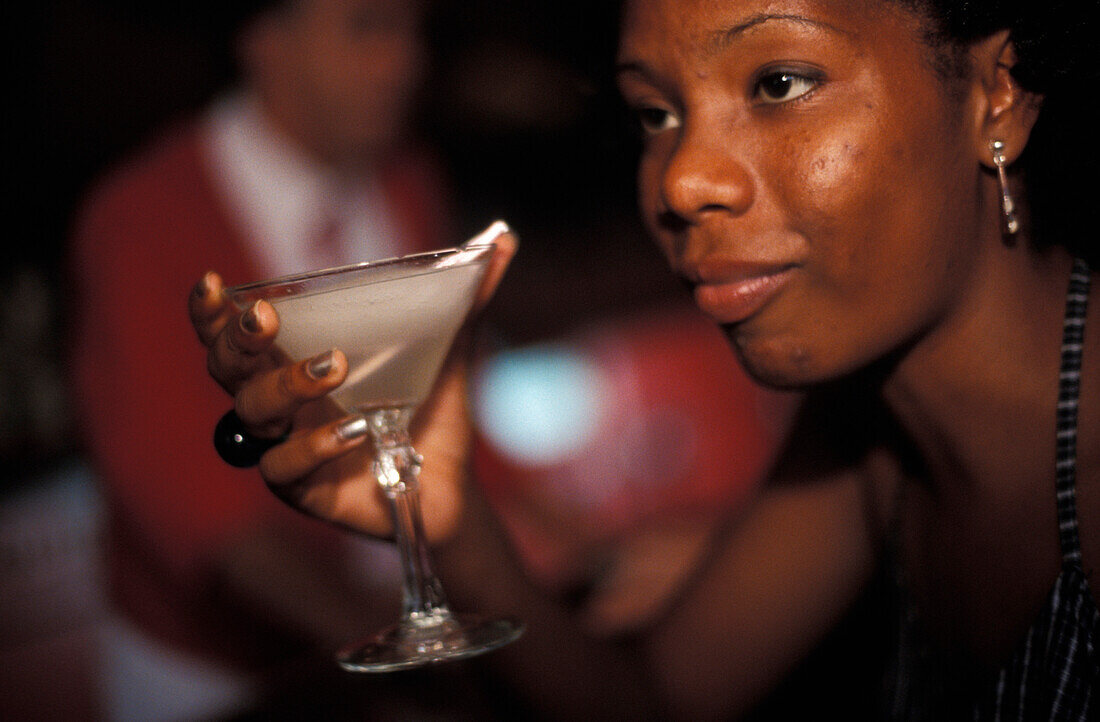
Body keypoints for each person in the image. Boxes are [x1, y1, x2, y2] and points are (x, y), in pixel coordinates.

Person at [188, 0, 1100, 718]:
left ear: (997, 96)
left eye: (780, 82)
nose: (679, 180)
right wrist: (451, 520)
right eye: (655, 113)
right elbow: (650, 703)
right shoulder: (870, 441)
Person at [69, 0, 450, 718]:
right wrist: (410, 660)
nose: (407, 61)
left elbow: (448, 419)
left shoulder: (406, 181)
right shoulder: (142, 218)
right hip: (214, 681)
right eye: (368, 27)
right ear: (264, 36)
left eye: (413, 29)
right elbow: (209, 524)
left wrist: (573, 550)